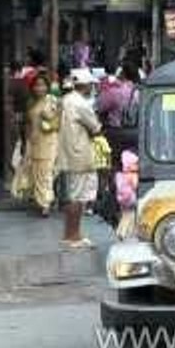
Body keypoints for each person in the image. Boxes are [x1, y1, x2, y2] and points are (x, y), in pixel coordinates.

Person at [56, 68, 103, 248]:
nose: (92, 87)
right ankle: (73, 236)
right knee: (79, 197)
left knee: (73, 195)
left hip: (68, 153)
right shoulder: (81, 104)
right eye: (91, 84)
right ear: (85, 85)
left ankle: (71, 234)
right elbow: (96, 127)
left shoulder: (66, 100)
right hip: (80, 154)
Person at [24, 72, 60, 217]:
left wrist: (50, 117)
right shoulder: (31, 103)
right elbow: (28, 124)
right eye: (37, 85)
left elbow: (57, 121)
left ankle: (46, 203)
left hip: (49, 140)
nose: (40, 88)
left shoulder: (51, 101)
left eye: (43, 85)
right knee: (37, 172)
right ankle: (44, 200)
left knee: (46, 172)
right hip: (34, 141)